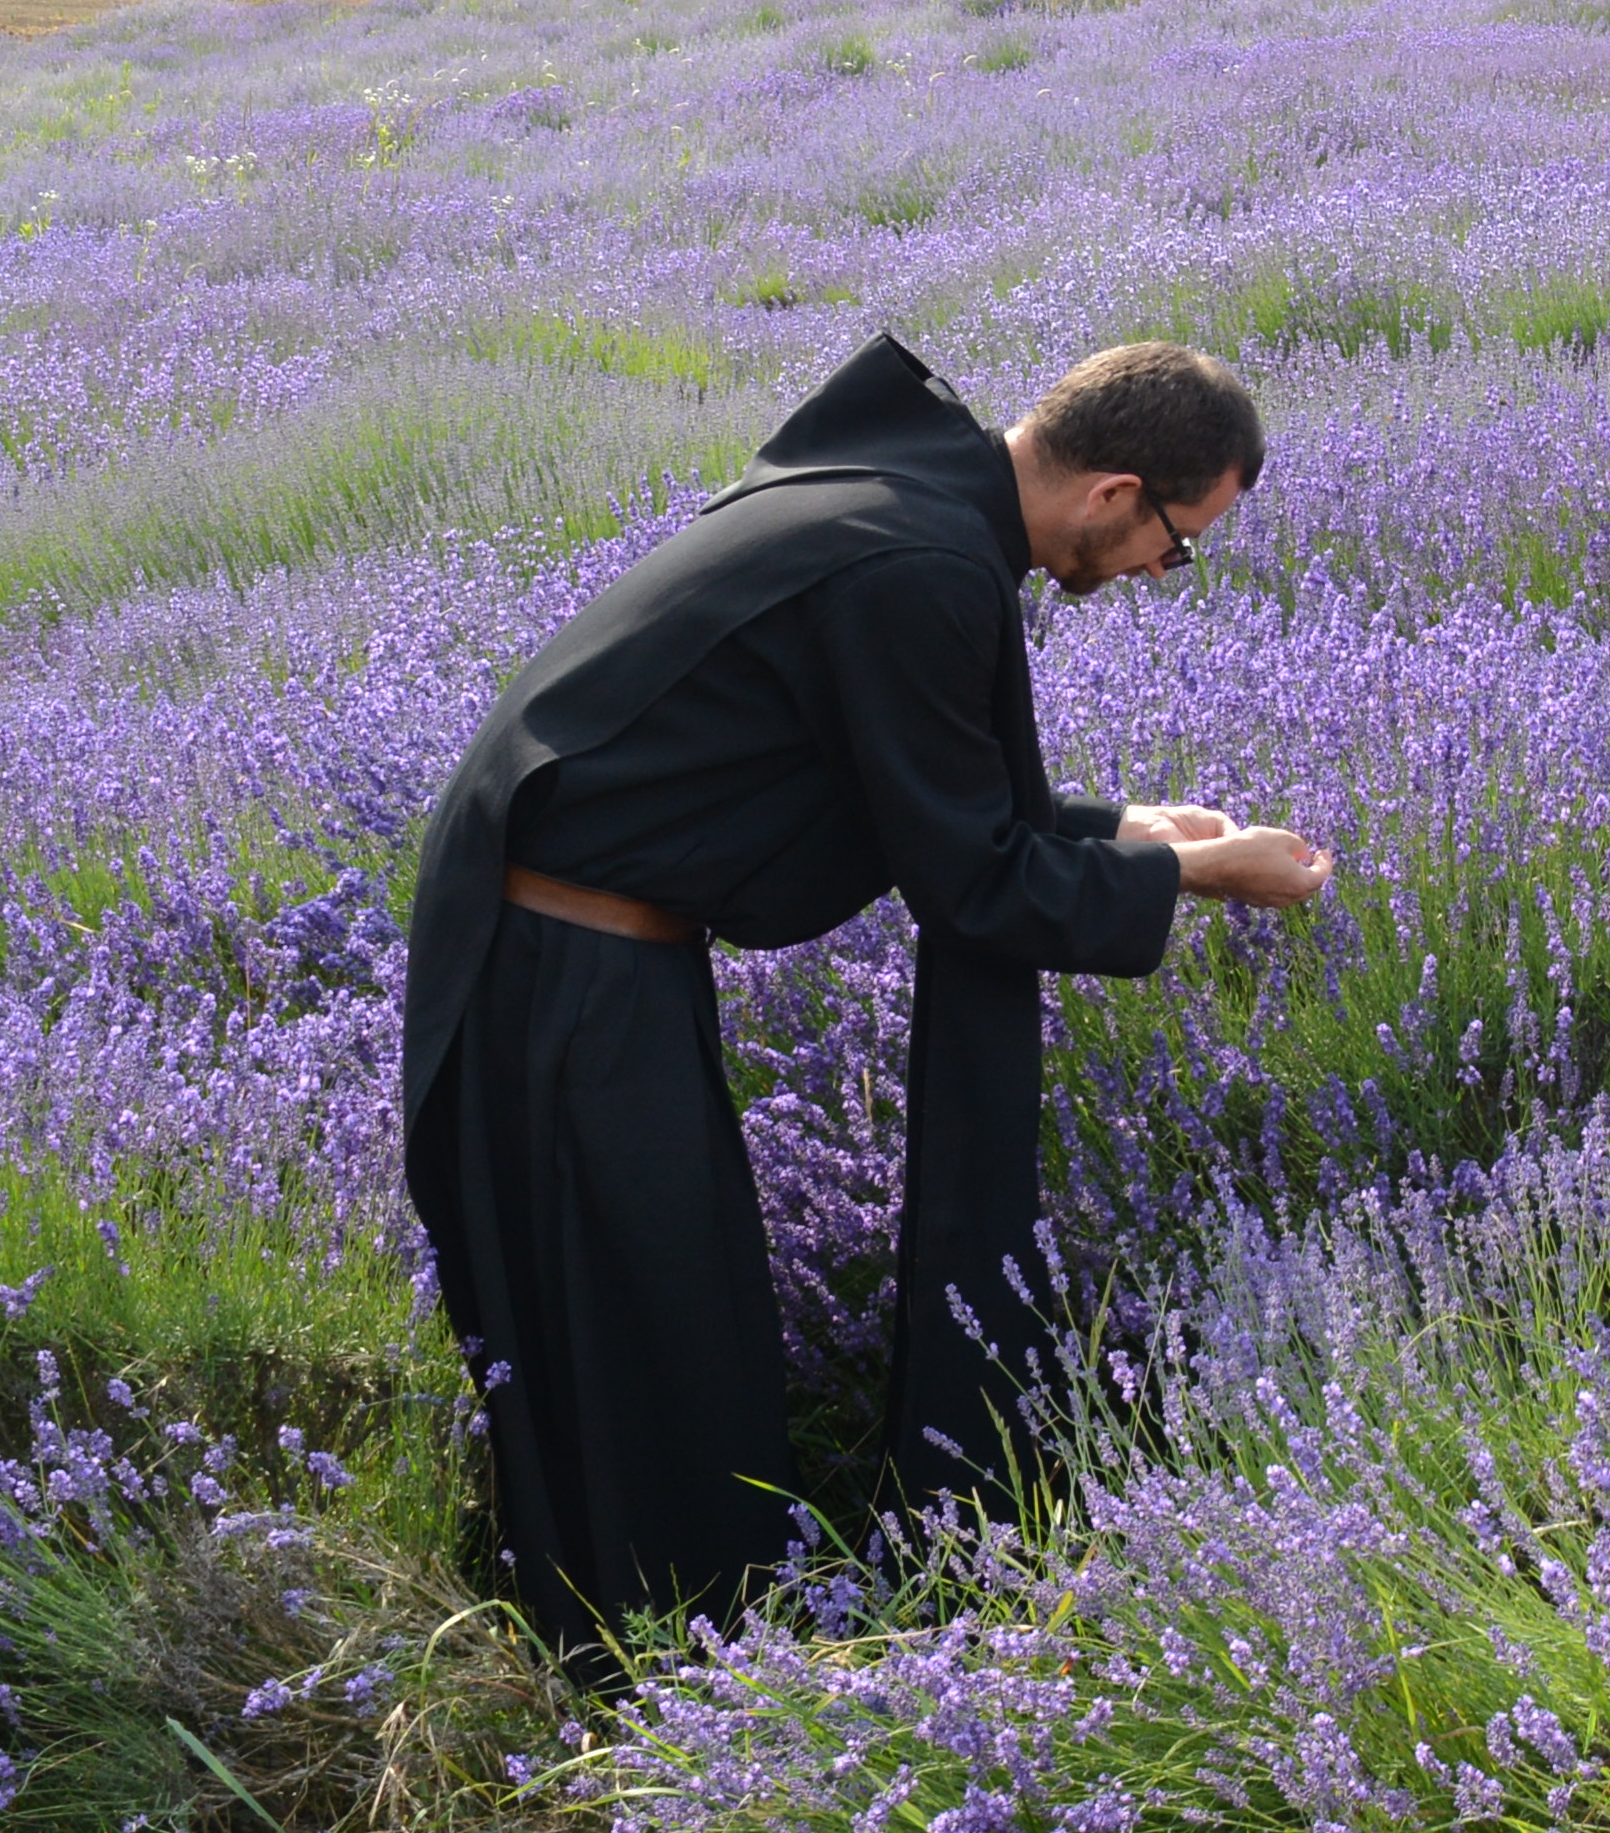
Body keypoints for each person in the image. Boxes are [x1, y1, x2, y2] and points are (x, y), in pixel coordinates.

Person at [397, 331, 1325, 1652]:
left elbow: (916, 798)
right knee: (642, 1335)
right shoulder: (924, 570)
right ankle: (650, 1671)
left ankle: (657, 1649)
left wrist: (1130, 832)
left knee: (662, 1314)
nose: (1159, 574)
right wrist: (1199, 877)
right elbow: (974, 881)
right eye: (1179, 544)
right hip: (563, 968)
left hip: (577, 951)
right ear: (1117, 493)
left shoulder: (897, 503)